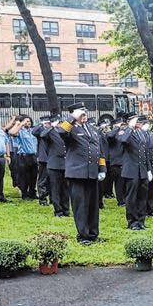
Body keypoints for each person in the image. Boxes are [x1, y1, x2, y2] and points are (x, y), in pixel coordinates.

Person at [57, 103, 106, 244]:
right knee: (81, 206)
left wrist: (102, 169)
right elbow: (61, 132)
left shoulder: (91, 129)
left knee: (93, 205)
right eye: (81, 113)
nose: (84, 115)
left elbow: (99, 150)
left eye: (85, 113)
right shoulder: (70, 128)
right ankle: (83, 235)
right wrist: (73, 118)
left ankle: (93, 234)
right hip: (77, 173)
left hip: (92, 172)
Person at [117, 114, 153, 230]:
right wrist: (130, 127)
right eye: (137, 121)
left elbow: (145, 152)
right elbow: (123, 140)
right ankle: (132, 222)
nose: (140, 123)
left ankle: (141, 221)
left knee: (142, 197)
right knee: (131, 198)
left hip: (142, 170)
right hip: (131, 170)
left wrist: (148, 169)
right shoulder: (125, 131)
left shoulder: (140, 133)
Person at [41, 114, 69, 217]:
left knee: (65, 189)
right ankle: (58, 211)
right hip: (54, 165)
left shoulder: (65, 133)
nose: (60, 124)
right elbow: (42, 135)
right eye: (59, 122)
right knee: (55, 189)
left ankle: (66, 209)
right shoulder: (51, 132)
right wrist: (51, 127)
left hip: (65, 164)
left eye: (61, 122)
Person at [8, 115, 38, 200]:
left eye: (29, 121)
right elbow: (11, 132)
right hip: (24, 156)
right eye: (26, 121)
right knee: (24, 176)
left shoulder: (33, 131)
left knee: (34, 175)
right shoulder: (20, 131)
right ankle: (24, 193)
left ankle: (32, 192)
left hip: (33, 155)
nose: (28, 123)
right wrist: (20, 124)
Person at [32, 116, 51, 206]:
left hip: (53, 158)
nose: (48, 124)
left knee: (52, 180)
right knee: (43, 180)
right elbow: (34, 132)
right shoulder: (41, 131)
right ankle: (42, 199)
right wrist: (41, 124)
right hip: (44, 158)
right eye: (46, 123)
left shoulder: (53, 130)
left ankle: (52, 198)